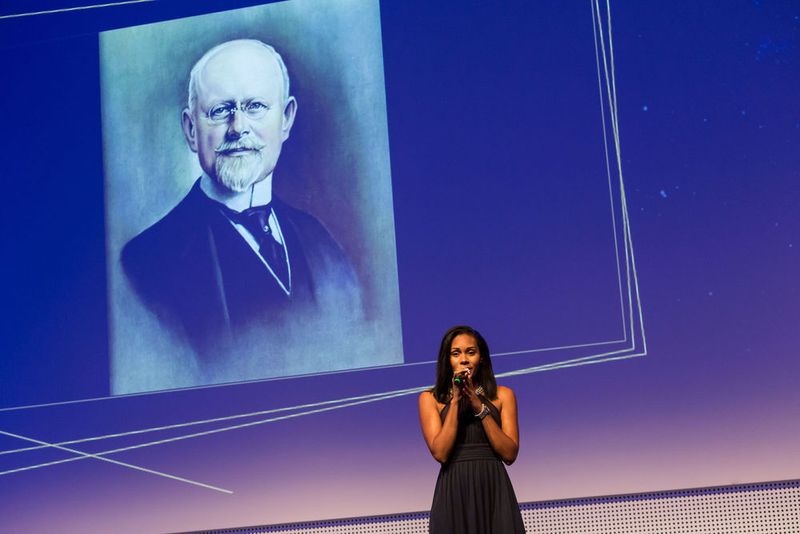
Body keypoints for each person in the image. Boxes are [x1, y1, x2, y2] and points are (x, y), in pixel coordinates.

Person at [121, 39, 362, 374]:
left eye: (255, 106)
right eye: (220, 111)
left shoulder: (323, 246)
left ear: (287, 119)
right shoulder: (144, 263)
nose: (238, 128)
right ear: (191, 130)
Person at [419, 325, 526, 533]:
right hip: (454, 489)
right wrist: (457, 401)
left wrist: (479, 407)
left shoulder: (503, 396)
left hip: (493, 488)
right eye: (456, 353)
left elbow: (510, 454)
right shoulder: (430, 399)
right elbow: (440, 452)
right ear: (447, 360)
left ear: (482, 358)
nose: (464, 359)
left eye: (471, 352)